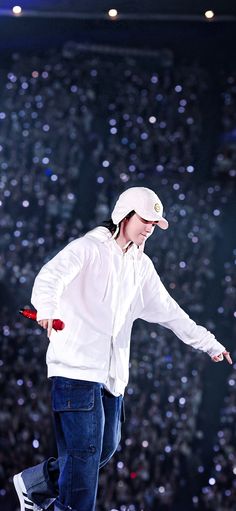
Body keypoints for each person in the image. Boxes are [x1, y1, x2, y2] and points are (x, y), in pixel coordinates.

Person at [13, 186, 232, 511]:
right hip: (76, 371)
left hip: (111, 378)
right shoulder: (89, 248)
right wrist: (47, 308)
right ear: (124, 215)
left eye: (154, 224)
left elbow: (172, 312)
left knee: (103, 449)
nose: (150, 228)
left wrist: (208, 342)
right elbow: (50, 277)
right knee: (84, 465)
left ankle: (35, 484)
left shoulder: (140, 267)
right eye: (146, 219)